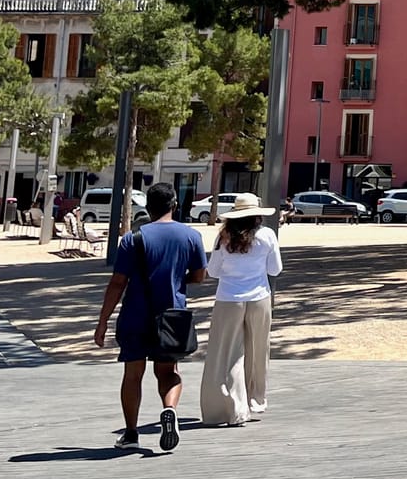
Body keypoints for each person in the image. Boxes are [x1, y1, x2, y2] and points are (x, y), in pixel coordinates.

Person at [93, 182, 206, 451]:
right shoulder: (191, 236)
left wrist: (102, 321)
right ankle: (170, 410)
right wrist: (177, 279)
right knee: (168, 372)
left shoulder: (133, 239)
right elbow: (200, 276)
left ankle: (131, 433)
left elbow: (118, 283)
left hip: (135, 314)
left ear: (148, 207)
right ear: (174, 204)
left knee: (133, 374)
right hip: (171, 316)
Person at [199, 194, 282, 428]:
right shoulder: (267, 235)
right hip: (259, 298)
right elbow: (275, 269)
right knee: (257, 351)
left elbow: (213, 272)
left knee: (226, 354)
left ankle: (229, 406)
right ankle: (255, 400)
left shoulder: (223, 237)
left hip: (228, 299)